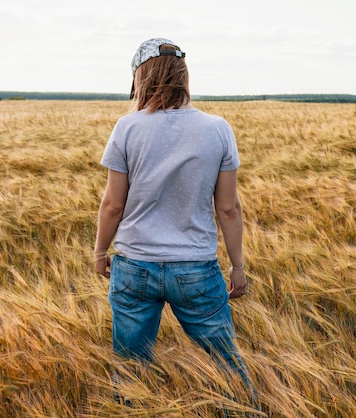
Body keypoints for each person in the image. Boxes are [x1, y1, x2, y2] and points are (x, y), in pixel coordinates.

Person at [94, 37, 259, 410]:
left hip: (134, 267)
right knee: (228, 369)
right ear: (183, 76)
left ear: (142, 78)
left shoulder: (127, 128)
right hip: (197, 271)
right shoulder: (218, 129)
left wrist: (100, 251)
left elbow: (112, 205)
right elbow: (229, 208)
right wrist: (237, 266)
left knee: (131, 373)